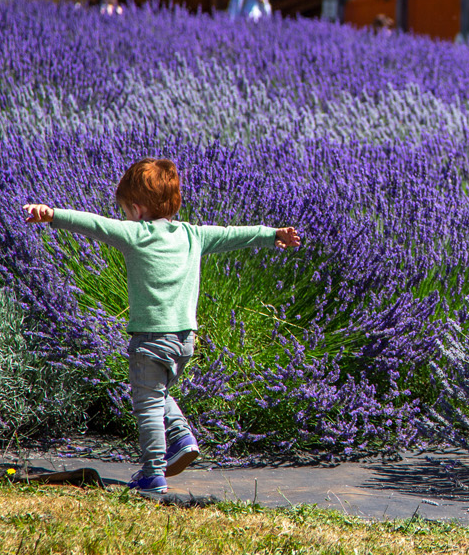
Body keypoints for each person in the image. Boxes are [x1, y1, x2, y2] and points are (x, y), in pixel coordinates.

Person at [22, 158, 301, 494]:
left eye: (125, 209)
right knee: (157, 393)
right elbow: (231, 235)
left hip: (151, 338)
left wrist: (52, 215)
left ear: (137, 210)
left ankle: (153, 472)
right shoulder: (192, 235)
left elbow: (95, 225)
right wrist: (272, 235)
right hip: (185, 339)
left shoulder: (135, 233)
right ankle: (181, 437)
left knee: (148, 404)